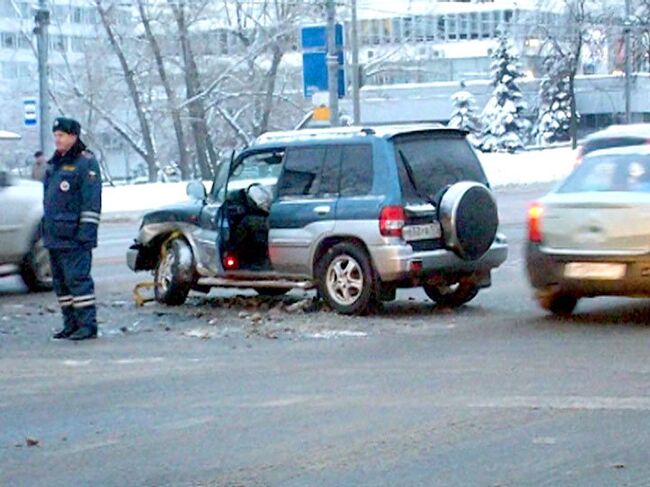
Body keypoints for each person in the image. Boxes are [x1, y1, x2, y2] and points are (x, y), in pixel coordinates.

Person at [42, 117, 102, 341]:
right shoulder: (55, 163)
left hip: (75, 236)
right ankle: (70, 324)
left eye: (61, 135)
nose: (57, 139)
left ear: (73, 136)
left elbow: (91, 201)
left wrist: (86, 234)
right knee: (62, 284)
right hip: (55, 236)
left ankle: (87, 325)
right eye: (55, 135)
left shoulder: (85, 162)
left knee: (78, 281)